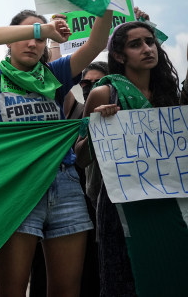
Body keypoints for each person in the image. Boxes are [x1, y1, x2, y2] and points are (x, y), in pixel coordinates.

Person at [0, 0, 121, 297]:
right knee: (12, 290)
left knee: (66, 291)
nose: (34, 42)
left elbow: (98, 41)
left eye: (40, 38)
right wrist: (44, 27)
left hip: (65, 186)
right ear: (8, 42)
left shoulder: (55, 74)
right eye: (25, 34)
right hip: (15, 188)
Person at [78, 21, 181, 295]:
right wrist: (98, 126)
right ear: (120, 56)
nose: (147, 49)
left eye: (150, 42)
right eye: (136, 44)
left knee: (169, 274)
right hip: (120, 205)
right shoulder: (104, 92)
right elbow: (80, 158)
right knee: (125, 280)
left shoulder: (170, 94)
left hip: (167, 201)